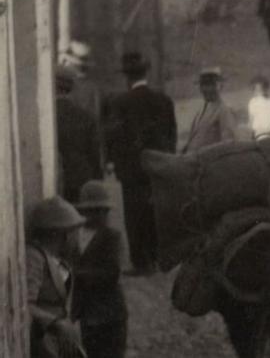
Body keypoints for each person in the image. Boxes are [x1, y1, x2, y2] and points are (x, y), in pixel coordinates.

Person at [104, 53, 175, 275]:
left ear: (127, 77)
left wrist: (113, 162)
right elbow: (171, 134)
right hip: (159, 166)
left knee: (134, 214)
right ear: (146, 73)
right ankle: (157, 256)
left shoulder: (120, 103)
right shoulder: (163, 100)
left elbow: (113, 136)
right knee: (157, 210)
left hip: (132, 170)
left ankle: (141, 262)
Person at [71, 181, 128, 358]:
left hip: (110, 315)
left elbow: (112, 273)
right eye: (92, 211)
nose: (98, 215)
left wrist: (77, 275)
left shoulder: (112, 237)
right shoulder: (74, 237)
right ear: (82, 212)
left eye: (102, 211)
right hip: (88, 316)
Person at [26, 196, 87, 358]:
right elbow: (25, 305)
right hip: (44, 340)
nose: (77, 238)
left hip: (60, 340)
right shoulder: (35, 257)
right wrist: (55, 323)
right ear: (63, 234)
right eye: (75, 232)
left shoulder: (59, 260)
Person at [56, 67, 103, 203]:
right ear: (71, 88)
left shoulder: (45, 119)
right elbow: (94, 154)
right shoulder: (86, 117)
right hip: (82, 179)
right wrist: (98, 180)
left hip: (54, 179)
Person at [182, 67, 238, 153]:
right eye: (203, 85)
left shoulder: (224, 111)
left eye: (211, 85)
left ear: (219, 87)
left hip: (210, 164)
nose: (206, 89)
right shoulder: (201, 111)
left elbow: (228, 145)